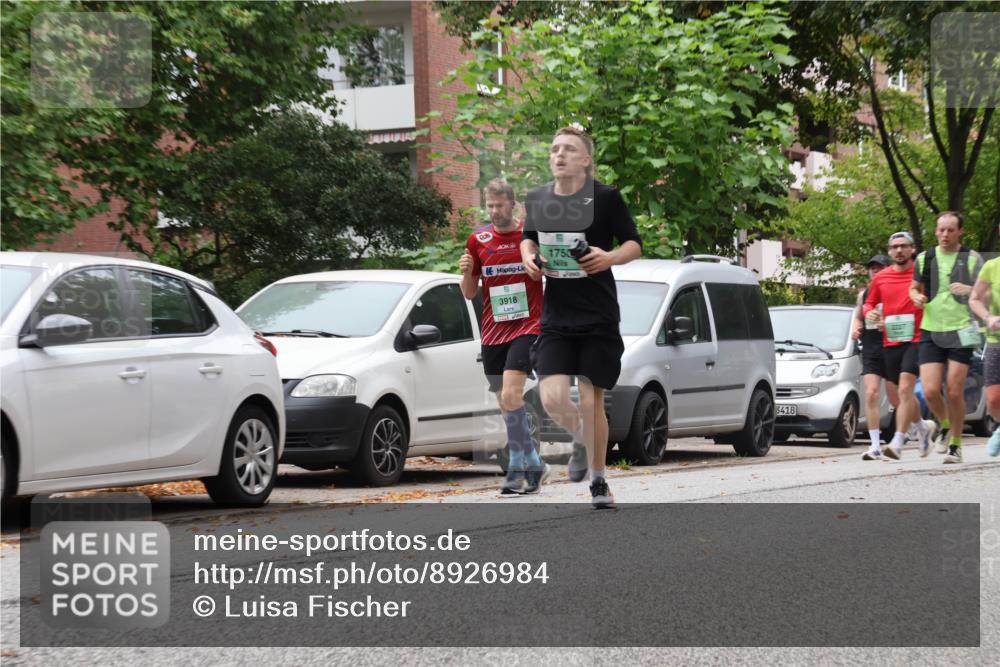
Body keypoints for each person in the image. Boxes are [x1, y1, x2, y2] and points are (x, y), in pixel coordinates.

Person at [519, 126, 642, 509]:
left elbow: (634, 244)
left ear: (585, 160)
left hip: (597, 315)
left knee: (591, 400)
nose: (559, 154)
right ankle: (584, 441)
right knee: (552, 396)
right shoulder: (538, 198)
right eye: (555, 149)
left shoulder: (605, 198)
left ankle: (599, 481)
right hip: (557, 316)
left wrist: (609, 257)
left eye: (569, 149)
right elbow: (528, 237)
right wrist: (528, 258)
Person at [460, 178, 548, 494]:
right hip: (493, 331)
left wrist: (540, 266)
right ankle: (534, 462)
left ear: (513, 205)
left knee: (512, 394)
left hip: (527, 326)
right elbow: (470, 292)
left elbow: (547, 270)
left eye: (500, 205)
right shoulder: (478, 240)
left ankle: (516, 469)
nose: (495, 211)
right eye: (490, 205)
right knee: (505, 403)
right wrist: (465, 271)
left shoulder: (529, 237)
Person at [909, 211, 984, 464]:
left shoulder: (972, 259)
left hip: (962, 329)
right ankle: (945, 424)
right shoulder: (925, 258)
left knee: (953, 390)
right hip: (931, 329)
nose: (945, 234)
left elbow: (988, 294)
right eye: (941, 230)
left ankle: (955, 445)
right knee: (930, 390)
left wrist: (970, 289)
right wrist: (916, 297)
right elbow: (913, 287)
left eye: (951, 230)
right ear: (935, 231)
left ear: (960, 231)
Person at [863, 231, 936, 460]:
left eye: (904, 246)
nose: (899, 250)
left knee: (905, 389)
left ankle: (897, 441)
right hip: (891, 340)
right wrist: (870, 312)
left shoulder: (922, 275)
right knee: (900, 393)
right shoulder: (881, 277)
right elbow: (869, 303)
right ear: (889, 251)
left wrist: (925, 300)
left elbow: (938, 300)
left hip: (918, 338)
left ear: (912, 249)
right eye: (895, 247)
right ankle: (922, 427)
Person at [851, 254, 903, 459]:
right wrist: (856, 328)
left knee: (895, 397)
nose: (875, 271)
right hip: (871, 349)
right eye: (872, 268)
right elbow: (858, 317)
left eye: (879, 268)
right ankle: (875, 446)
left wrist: (888, 324)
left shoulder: (895, 290)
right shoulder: (864, 295)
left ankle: (919, 425)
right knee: (871, 393)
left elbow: (905, 318)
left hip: (892, 347)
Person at [966, 225, 1000, 458]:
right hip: (996, 339)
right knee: (994, 398)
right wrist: (988, 317)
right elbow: (974, 299)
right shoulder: (991, 267)